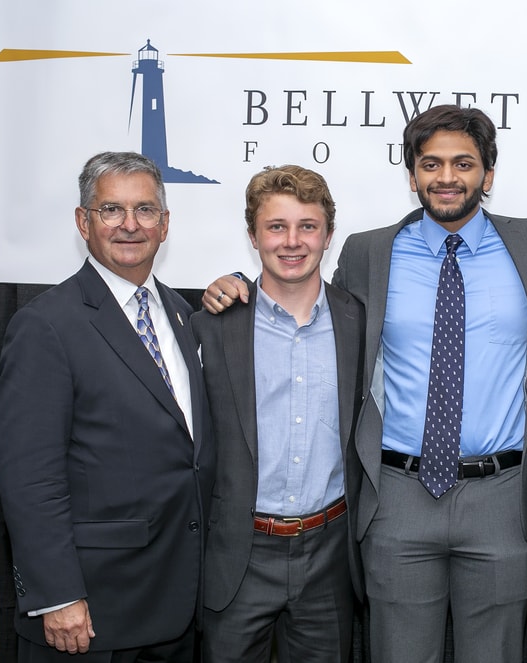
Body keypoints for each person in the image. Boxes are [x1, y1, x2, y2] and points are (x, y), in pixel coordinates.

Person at [203, 105, 527, 662]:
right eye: (430, 164)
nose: (447, 177)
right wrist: (235, 287)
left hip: (503, 499)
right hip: (399, 496)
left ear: (488, 173)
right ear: (411, 175)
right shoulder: (368, 253)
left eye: (464, 163)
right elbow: (308, 305)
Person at [0, 151, 214, 661]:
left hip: (176, 604)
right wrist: (58, 595)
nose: (129, 225)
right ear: (82, 222)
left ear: (164, 224)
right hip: (92, 614)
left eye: (145, 210)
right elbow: (29, 478)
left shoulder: (183, 314)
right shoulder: (45, 325)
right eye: (111, 210)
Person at [191, 165, 364, 662]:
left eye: (307, 226)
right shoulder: (210, 326)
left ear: (328, 235)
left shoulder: (360, 320)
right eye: (276, 227)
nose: (292, 242)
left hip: (329, 553)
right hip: (239, 553)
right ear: (252, 235)